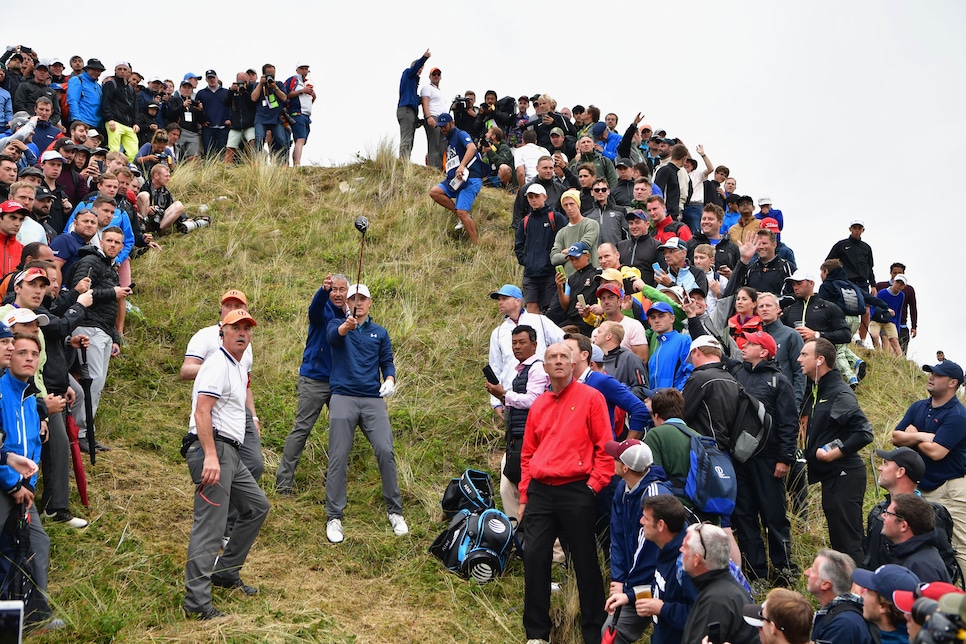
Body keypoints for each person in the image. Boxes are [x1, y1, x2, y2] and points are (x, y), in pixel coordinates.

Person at [518, 341, 611, 644]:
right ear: (544, 367)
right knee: (534, 559)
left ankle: (594, 632)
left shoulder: (591, 398)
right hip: (541, 493)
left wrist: (592, 486)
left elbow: (605, 448)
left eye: (563, 357)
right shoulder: (539, 404)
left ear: (573, 364)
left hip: (576, 490)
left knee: (585, 562)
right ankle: (537, 633)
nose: (558, 361)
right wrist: (524, 496)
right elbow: (528, 454)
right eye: (552, 357)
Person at [183, 309, 270, 620]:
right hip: (213, 448)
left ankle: (225, 572)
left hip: (230, 451)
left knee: (257, 506)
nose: (243, 333)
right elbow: (202, 412)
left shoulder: (235, 366)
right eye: (236, 328)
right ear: (223, 331)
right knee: (211, 526)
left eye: (247, 328)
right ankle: (196, 602)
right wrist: (209, 455)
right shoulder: (217, 363)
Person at [324, 284, 407, 543]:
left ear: (370, 303)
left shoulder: (380, 333)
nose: (357, 303)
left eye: (362, 299)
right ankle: (334, 516)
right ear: (345, 303)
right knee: (338, 455)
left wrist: (390, 380)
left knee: (385, 450)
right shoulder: (337, 325)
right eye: (352, 299)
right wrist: (346, 326)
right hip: (342, 397)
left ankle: (395, 511)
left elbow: (387, 361)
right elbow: (334, 337)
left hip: (373, 399)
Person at [180, 289, 263, 543]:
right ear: (221, 309)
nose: (233, 308)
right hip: (216, 411)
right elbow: (186, 370)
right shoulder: (209, 340)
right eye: (229, 304)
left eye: (240, 305)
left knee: (255, 465)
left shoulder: (244, 345)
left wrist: (254, 416)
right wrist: (218, 368)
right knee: (219, 474)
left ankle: (229, 524)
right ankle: (220, 528)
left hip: (240, 413)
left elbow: (245, 383)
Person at [729, 330, 798, 586]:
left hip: (769, 461)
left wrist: (785, 458)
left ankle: (784, 571)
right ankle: (756, 573)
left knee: (774, 516)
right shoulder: (737, 372)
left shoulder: (779, 381)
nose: (744, 346)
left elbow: (789, 423)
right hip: (739, 459)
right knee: (745, 516)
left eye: (750, 343)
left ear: (765, 351)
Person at [0, 332, 59, 629]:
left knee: (38, 542)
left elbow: (34, 445)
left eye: (34, 354)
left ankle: (35, 614)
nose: (28, 358)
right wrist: (12, 482)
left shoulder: (31, 399)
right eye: (21, 352)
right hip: (5, 484)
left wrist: (28, 485)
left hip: (24, 488)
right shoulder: (1, 391)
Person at [798, 338, 874, 564]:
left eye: (804, 355)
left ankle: (861, 595)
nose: (798, 359)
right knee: (842, 541)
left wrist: (832, 451)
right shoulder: (816, 389)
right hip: (833, 476)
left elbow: (864, 432)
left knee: (848, 544)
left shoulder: (838, 392)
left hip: (845, 474)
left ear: (820, 360)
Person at [891, 358, 966, 574]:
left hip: (951, 489)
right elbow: (896, 436)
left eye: (938, 374)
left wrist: (913, 436)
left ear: (953, 383)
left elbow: (937, 452)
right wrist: (923, 436)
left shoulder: (958, 414)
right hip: (923, 488)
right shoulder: (919, 406)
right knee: (924, 542)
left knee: (957, 547)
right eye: (931, 372)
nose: (931, 376)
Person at [276, 274, 348, 494]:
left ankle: (334, 480)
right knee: (302, 428)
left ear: (348, 292)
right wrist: (321, 291)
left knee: (341, 431)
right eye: (333, 289)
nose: (337, 293)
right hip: (313, 379)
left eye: (341, 289)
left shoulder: (352, 315)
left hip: (339, 382)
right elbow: (313, 311)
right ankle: (283, 482)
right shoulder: (322, 309)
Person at [602, 440, 671, 644]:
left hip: (657, 586)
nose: (611, 460)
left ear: (625, 467)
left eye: (615, 458)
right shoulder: (623, 488)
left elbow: (647, 556)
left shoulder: (654, 500)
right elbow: (617, 535)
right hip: (633, 584)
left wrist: (628, 594)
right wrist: (618, 580)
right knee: (610, 633)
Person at [484, 325, 547, 524]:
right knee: (509, 487)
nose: (517, 347)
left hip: (529, 439)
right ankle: (517, 535)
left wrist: (504, 394)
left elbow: (533, 401)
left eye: (522, 342)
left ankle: (540, 541)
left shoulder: (537, 368)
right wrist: (503, 398)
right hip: (516, 438)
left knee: (526, 489)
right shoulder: (521, 370)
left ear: (534, 345)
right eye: (514, 343)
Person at [631, 494, 698, 644]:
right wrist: (628, 596)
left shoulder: (686, 565)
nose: (641, 522)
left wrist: (662, 609)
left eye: (646, 519)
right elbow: (663, 589)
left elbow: (697, 617)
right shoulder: (665, 548)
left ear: (661, 525)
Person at [680, 523, 759, 644]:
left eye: (685, 547)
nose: (681, 550)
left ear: (696, 559)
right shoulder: (724, 588)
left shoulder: (715, 601)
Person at [427, 113, 482, 243]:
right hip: (455, 180)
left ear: (452, 123)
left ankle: (476, 245)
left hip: (470, 179)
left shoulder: (461, 134)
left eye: (445, 126)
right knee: (434, 192)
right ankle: (459, 213)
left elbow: (472, 147)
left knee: (462, 211)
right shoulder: (449, 141)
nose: (442, 129)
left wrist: (462, 165)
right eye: (440, 127)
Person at [513, 184, 567, 313]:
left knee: (550, 310)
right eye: (530, 197)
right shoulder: (525, 221)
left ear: (545, 197)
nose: (533, 200)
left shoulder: (556, 217)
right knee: (531, 310)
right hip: (531, 274)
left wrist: (554, 262)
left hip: (550, 273)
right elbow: (518, 245)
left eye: (536, 196)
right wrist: (526, 261)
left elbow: (565, 240)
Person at [806, 549, 875, 644]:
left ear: (825, 584)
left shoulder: (842, 625)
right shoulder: (840, 615)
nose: (806, 572)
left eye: (813, 570)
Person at [281, 64, 315, 167]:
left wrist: (313, 97)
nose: (304, 71)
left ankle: (296, 162)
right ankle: (297, 164)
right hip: (297, 113)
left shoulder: (306, 84)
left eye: (306, 69)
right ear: (297, 70)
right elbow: (286, 94)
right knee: (300, 139)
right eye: (302, 69)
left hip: (306, 115)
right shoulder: (293, 79)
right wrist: (302, 91)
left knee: (301, 140)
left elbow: (307, 102)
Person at [419, 67, 445, 170]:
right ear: (430, 76)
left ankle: (442, 169)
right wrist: (428, 117)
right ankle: (434, 169)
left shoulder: (439, 91)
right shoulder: (427, 88)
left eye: (438, 74)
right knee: (434, 145)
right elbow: (425, 103)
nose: (436, 76)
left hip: (442, 119)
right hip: (433, 116)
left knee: (443, 145)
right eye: (434, 74)